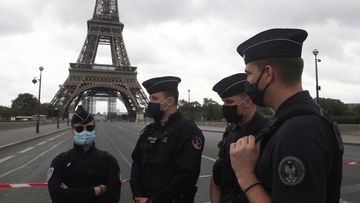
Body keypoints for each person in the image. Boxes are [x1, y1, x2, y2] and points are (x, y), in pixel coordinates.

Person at [229, 28, 343, 203]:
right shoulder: (296, 120)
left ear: (268, 73)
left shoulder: (298, 130)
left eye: (249, 74)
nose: (248, 82)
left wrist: (245, 175)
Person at [130, 76, 205, 203]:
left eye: (154, 99)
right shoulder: (149, 130)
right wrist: (137, 194)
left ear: (169, 101)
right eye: (150, 99)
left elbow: (185, 175)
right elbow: (136, 162)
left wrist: (154, 200)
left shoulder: (188, 131)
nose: (149, 103)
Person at [211, 73, 269, 203]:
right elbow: (217, 175)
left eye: (229, 102)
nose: (225, 107)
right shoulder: (230, 131)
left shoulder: (267, 132)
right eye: (224, 102)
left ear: (247, 102)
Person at [47, 105, 121, 203]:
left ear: (94, 129)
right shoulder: (59, 162)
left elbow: (113, 198)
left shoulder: (110, 161)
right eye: (79, 129)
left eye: (89, 128)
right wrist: (97, 191)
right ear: (72, 131)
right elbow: (57, 197)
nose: (85, 132)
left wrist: (70, 193)